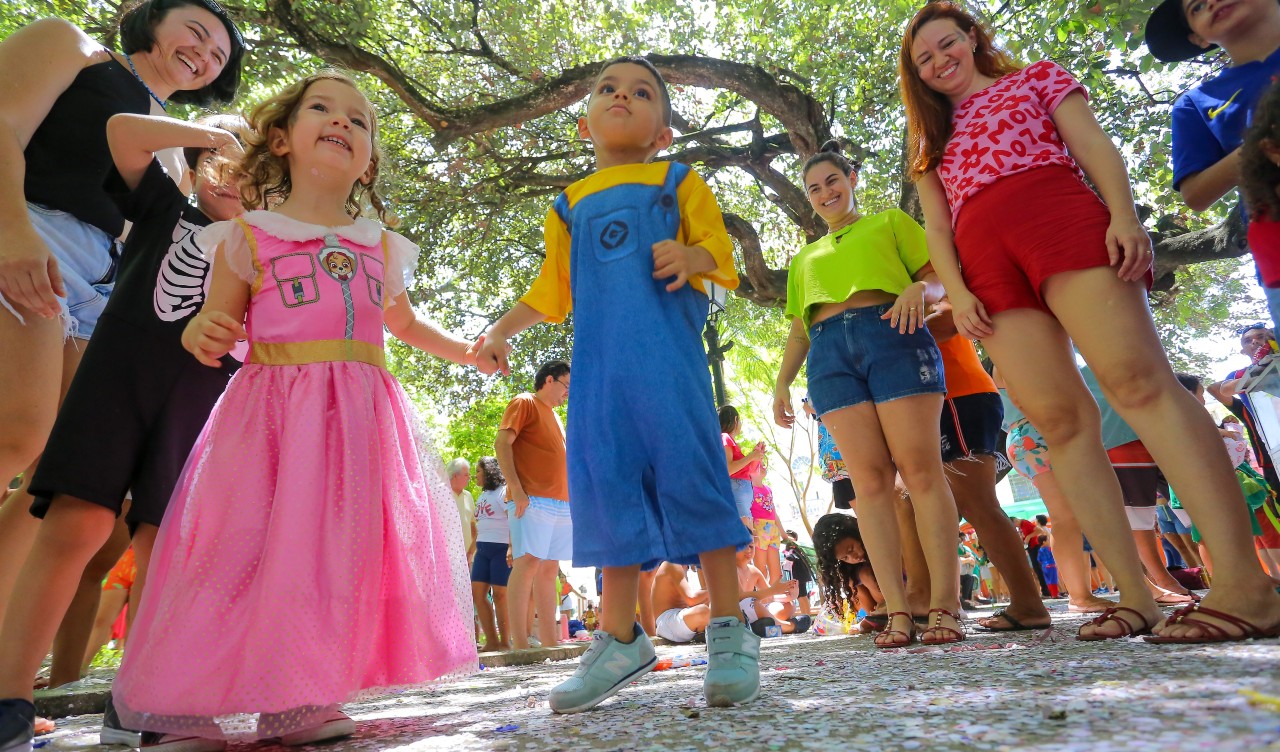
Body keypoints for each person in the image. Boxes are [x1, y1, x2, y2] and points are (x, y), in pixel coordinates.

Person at [107, 71, 478, 749]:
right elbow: (215, 320)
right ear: (281, 138)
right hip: (272, 417)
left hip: (359, 420)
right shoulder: (249, 236)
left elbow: (408, 325)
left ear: (368, 161)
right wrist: (201, 333)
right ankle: (194, 706)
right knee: (236, 553)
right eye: (323, 108)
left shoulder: (380, 244)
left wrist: (470, 351)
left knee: (332, 558)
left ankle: (303, 697)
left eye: (359, 120)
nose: (342, 120)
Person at [900, 1, 1280, 642]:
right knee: (1059, 423)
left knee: (1139, 384)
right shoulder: (929, 143)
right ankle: (1134, 597)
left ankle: (1246, 584)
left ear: (972, 37)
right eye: (924, 60)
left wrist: (1124, 216)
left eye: (947, 44)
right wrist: (959, 294)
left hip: (1062, 221)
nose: (940, 62)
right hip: (987, 268)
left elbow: (1095, 146)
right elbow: (937, 227)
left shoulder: (1037, 78)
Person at [476, 57, 758, 711]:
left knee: (695, 479)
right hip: (600, 384)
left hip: (671, 372)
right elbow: (552, 289)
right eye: (608, 89)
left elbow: (720, 252)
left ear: (663, 131)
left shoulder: (678, 180)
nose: (622, 96)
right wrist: (502, 328)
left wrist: (693, 258)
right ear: (584, 125)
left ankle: (729, 628)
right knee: (608, 496)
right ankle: (620, 636)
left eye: (641, 92)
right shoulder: (568, 205)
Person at [0, 0, 243, 665]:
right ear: (148, 19)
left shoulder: (174, 157)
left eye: (219, 54)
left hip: (99, 287)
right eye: (196, 32)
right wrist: (12, 232)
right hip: (29, 231)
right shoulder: (70, 45)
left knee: (57, 483)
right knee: (18, 432)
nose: (205, 53)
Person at [772, 139, 963, 648]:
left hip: (893, 333)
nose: (824, 192)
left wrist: (919, 291)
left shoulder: (890, 223)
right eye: (814, 188)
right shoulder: (803, 258)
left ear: (852, 179)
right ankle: (897, 609)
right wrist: (781, 382)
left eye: (832, 180)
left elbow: (939, 276)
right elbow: (799, 328)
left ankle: (945, 604)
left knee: (921, 472)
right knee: (869, 485)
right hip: (829, 356)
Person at [1146, 0, 1280, 326]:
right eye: (1197, 7)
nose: (1212, 2)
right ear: (1197, 38)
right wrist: (1259, 146)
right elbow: (1195, 194)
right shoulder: (1194, 104)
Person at [494, 360, 572, 651]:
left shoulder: (555, 416)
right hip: (532, 499)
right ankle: (520, 644)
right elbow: (502, 444)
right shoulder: (525, 402)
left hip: (561, 501)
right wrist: (516, 489)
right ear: (549, 380)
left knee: (549, 568)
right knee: (527, 564)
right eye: (565, 385)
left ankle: (551, 642)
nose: (567, 392)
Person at [811, 513, 887, 629]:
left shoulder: (882, 545)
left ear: (857, 534)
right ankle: (879, 618)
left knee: (865, 574)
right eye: (845, 558)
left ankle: (888, 612)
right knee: (852, 581)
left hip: (901, 597)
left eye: (851, 549)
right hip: (878, 606)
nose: (854, 557)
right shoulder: (852, 571)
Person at [471, 456, 511, 652]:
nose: (475, 475)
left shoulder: (503, 491)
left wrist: (512, 547)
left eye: (478, 471)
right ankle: (492, 641)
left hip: (501, 548)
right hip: (482, 549)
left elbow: (513, 518)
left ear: (488, 472)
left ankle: (505, 642)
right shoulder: (482, 495)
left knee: (500, 595)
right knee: (477, 593)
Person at [720, 405, 765, 529]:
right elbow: (728, 469)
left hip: (742, 491)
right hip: (738, 489)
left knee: (749, 537)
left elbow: (749, 471)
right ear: (735, 420)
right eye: (740, 420)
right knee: (746, 537)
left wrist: (756, 455)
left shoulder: (730, 440)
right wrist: (751, 456)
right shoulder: (725, 437)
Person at [651, 562, 711, 644]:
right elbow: (691, 599)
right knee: (703, 610)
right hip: (667, 622)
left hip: (674, 623)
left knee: (710, 607)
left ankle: (700, 632)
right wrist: (714, 591)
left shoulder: (682, 566)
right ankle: (701, 632)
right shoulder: (673, 563)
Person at [748, 462, 784, 584]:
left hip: (772, 530)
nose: (764, 467)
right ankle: (763, 599)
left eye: (764, 464)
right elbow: (747, 513)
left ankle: (772, 597)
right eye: (759, 465)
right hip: (759, 530)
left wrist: (784, 534)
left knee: (776, 572)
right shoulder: (748, 489)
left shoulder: (768, 489)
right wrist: (752, 531)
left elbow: (774, 512)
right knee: (761, 570)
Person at [448, 458, 477, 565]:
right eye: (466, 475)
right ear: (455, 475)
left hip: (467, 558)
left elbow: (473, 525)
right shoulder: (441, 494)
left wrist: (472, 552)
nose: (469, 477)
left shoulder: (468, 496)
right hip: (447, 557)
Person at [781, 531, 816, 616]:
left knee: (802, 596)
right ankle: (806, 615)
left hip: (799, 575)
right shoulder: (795, 548)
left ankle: (806, 615)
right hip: (800, 575)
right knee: (802, 596)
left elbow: (791, 558)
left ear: (794, 539)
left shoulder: (793, 548)